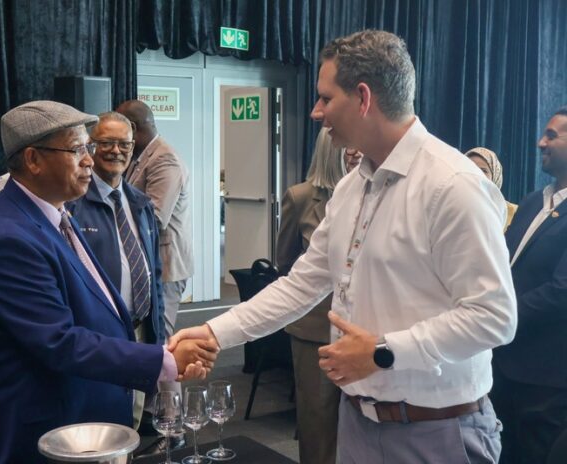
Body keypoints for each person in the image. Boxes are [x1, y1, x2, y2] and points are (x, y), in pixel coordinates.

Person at [170, 30, 516, 464]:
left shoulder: (453, 185)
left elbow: (494, 317)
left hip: (436, 431)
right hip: (357, 423)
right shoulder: (352, 187)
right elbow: (301, 286)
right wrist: (213, 332)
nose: (316, 112)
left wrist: (383, 352)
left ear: (364, 98)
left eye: (326, 98)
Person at [0, 101, 216, 464]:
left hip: (77, 417)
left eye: (88, 147)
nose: (89, 160)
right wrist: (163, 360)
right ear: (33, 160)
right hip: (38, 431)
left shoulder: (55, 213)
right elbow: (59, 342)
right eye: (77, 149)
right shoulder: (10, 239)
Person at [66, 111, 165, 429]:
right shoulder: (72, 206)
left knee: (131, 422)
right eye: (106, 142)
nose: (116, 151)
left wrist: (157, 335)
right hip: (98, 340)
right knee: (98, 428)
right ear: (90, 146)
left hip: (139, 333)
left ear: (134, 147)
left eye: (124, 144)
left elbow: (154, 274)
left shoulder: (141, 204)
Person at [276, 129, 361, 464]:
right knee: (318, 424)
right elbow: (286, 265)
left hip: (363, 332)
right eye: (349, 146)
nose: (356, 152)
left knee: (361, 422)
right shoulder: (300, 197)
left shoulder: (373, 195)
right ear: (330, 149)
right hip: (314, 332)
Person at [491, 106, 567, 464]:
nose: (540, 143)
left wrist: (498, 316)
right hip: (502, 365)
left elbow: (561, 291)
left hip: (545, 380)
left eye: (552, 135)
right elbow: (501, 267)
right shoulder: (533, 201)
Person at [116, 100, 193, 340]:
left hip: (165, 264)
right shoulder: (141, 156)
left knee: (160, 340)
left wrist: (110, 224)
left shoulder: (164, 159)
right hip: (146, 261)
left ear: (132, 128)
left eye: (120, 130)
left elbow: (156, 219)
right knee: (144, 337)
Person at [465, 147, 518, 230]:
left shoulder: (514, 213)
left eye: (483, 170)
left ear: (495, 175)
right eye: (471, 169)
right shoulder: (453, 208)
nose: (477, 174)